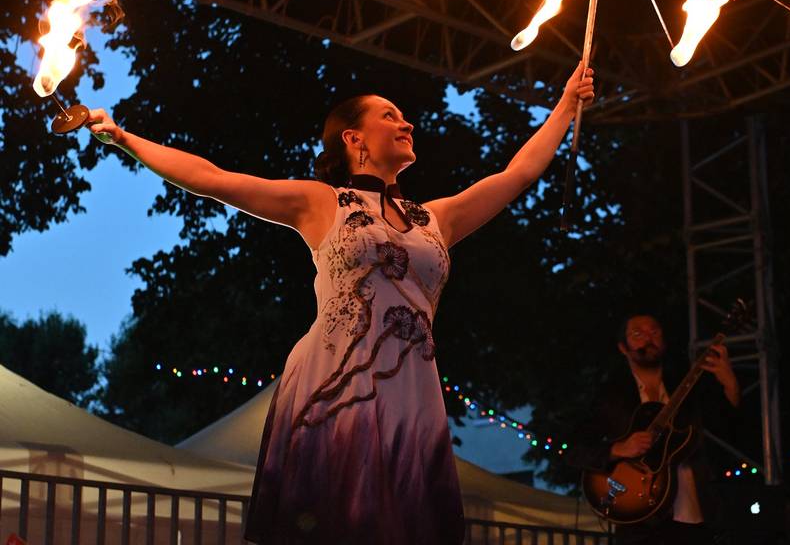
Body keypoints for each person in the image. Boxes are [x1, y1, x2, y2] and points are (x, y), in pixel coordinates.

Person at [86, 63, 594, 545]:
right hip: (335, 381)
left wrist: (566, 104)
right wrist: (125, 138)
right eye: (389, 115)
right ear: (353, 138)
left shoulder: (436, 219)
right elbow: (210, 177)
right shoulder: (322, 202)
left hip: (411, 392)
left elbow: (518, 173)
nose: (407, 122)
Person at [567, 314, 740, 545]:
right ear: (623, 347)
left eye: (654, 332)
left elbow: (725, 423)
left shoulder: (685, 384)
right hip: (640, 520)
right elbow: (575, 449)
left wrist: (729, 381)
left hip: (693, 511)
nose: (648, 338)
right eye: (638, 334)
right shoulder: (611, 396)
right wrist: (619, 448)